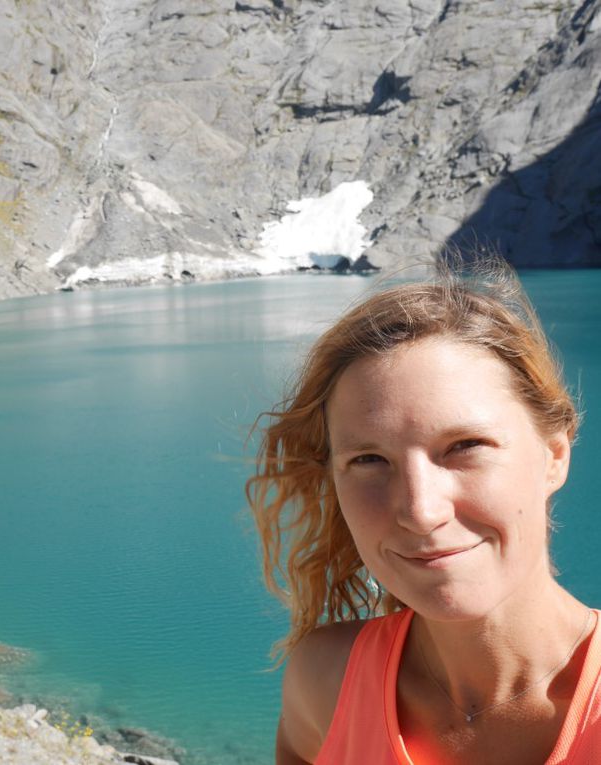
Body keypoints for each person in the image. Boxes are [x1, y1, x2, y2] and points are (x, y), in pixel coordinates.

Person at [247, 259, 601, 763]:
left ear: (554, 457)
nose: (420, 509)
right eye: (368, 459)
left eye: (464, 445)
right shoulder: (325, 683)